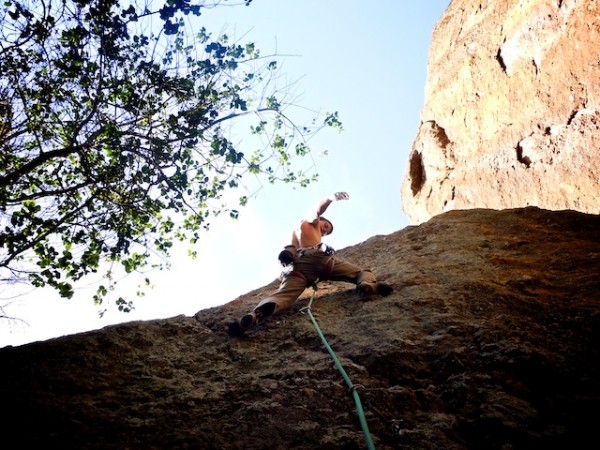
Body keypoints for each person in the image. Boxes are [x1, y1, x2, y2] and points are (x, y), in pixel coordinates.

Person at [228, 192, 393, 336]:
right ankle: (367, 284)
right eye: (325, 226)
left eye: (327, 232)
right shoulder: (310, 221)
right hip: (318, 260)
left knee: (282, 297)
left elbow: (290, 250)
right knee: (360, 272)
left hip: (297, 269)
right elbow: (317, 209)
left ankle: (255, 316)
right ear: (320, 220)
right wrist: (330, 198)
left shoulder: (295, 234)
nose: (325, 230)